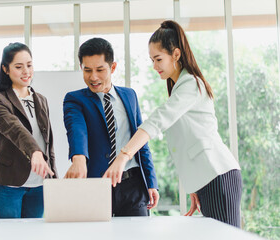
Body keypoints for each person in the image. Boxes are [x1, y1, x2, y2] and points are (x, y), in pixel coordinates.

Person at [103, 20, 242, 227]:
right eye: (152, 60)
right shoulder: (180, 87)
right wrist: (195, 185)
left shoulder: (191, 83)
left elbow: (158, 120)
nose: (154, 66)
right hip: (207, 180)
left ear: (176, 54)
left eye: (158, 59)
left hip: (218, 176)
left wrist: (123, 156)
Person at [63, 38, 159, 216]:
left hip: (133, 184)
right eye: (87, 70)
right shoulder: (75, 99)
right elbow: (76, 129)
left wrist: (151, 182)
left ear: (112, 67)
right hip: (96, 185)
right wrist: (79, 158)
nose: (93, 77)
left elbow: (141, 141)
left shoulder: (130, 96)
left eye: (100, 70)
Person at [0, 42, 58, 219]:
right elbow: (15, 129)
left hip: (39, 185)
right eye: (18, 66)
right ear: (6, 69)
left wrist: (53, 178)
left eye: (29, 65)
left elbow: (48, 141)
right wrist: (35, 152)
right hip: (8, 185)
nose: (26, 71)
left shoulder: (41, 99)